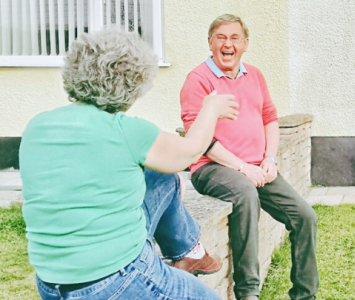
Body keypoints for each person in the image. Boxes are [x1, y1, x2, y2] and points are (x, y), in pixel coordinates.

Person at [19, 29, 239, 300]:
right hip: (113, 280)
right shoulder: (126, 131)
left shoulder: (37, 126)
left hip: (50, 282)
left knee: (162, 179)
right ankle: (189, 252)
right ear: (133, 83)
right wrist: (211, 108)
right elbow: (190, 152)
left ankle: (189, 252)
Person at [180, 14, 318, 300]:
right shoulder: (198, 80)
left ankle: (305, 295)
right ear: (210, 43)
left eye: (234, 38)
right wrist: (243, 167)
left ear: (244, 44)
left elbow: (269, 116)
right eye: (220, 37)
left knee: (305, 216)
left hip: (258, 166)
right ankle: (248, 292)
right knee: (245, 193)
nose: (227, 44)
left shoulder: (254, 75)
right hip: (212, 168)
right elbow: (201, 139)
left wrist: (270, 159)